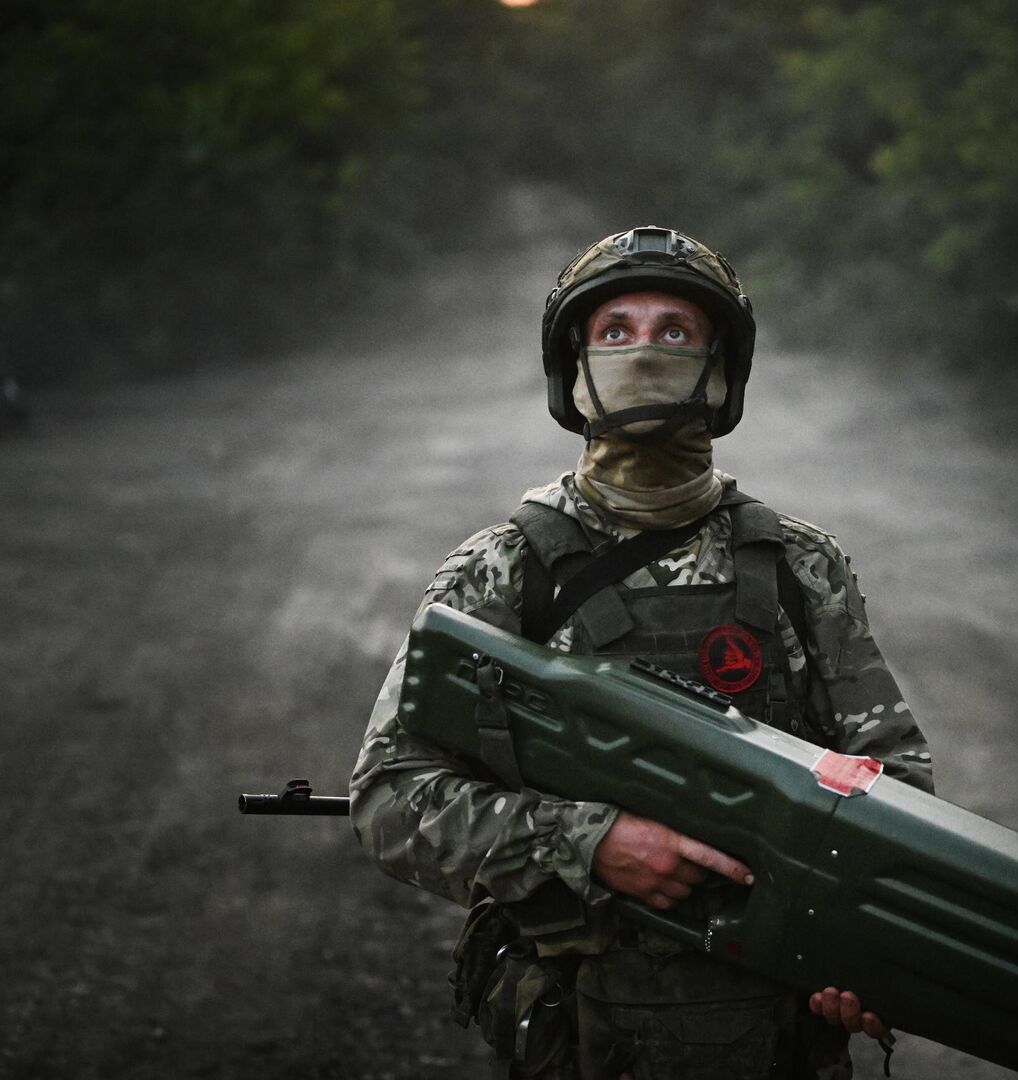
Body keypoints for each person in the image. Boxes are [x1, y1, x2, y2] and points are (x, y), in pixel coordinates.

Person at [350, 226, 934, 1080]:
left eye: (676, 331)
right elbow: (390, 800)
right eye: (615, 331)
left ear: (721, 370)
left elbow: (897, 790)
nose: (646, 352)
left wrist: (860, 953)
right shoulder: (504, 571)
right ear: (574, 370)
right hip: (580, 1036)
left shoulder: (800, 567)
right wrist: (589, 843)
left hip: (778, 1042)